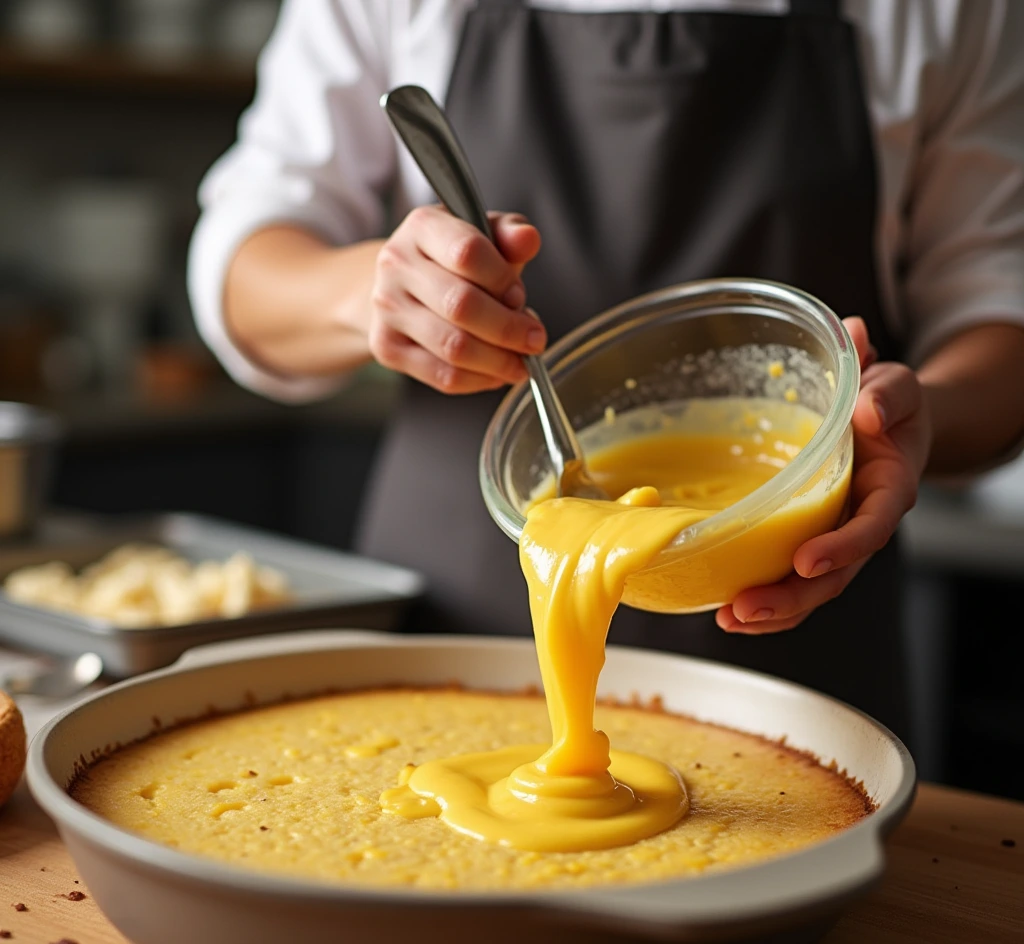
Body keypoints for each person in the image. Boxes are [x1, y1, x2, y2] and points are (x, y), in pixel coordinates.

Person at [188, 0, 1024, 740]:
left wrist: (919, 419)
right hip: (463, 623)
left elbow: (998, 306)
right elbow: (244, 258)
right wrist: (367, 293)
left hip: (796, 651)